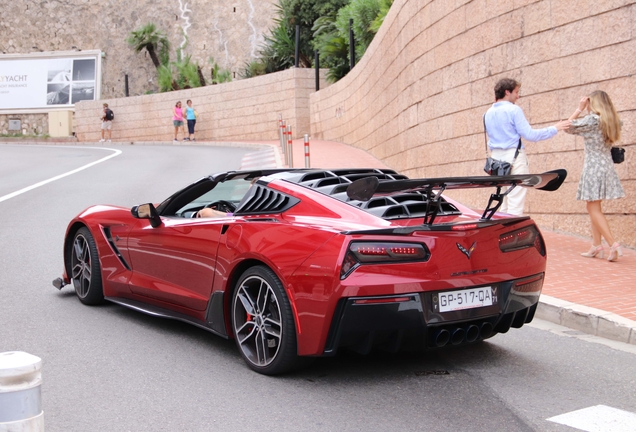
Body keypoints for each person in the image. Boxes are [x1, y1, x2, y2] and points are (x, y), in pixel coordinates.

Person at [484, 78, 570, 215]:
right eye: (516, 92)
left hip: (496, 161)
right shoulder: (513, 110)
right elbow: (530, 135)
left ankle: (502, 232)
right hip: (514, 158)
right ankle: (511, 234)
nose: (518, 96)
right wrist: (555, 128)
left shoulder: (487, 113)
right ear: (507, 92)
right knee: (516, 200)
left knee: (505, 198)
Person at [566, 91, 624, 262]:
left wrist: (579, 108)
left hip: (593, 167)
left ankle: (613, 244)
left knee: (593, 208)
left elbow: (568, 127)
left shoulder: (593, 120)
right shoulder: (611, 120)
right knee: (594, 207)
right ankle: (596, 245)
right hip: (606, 165)